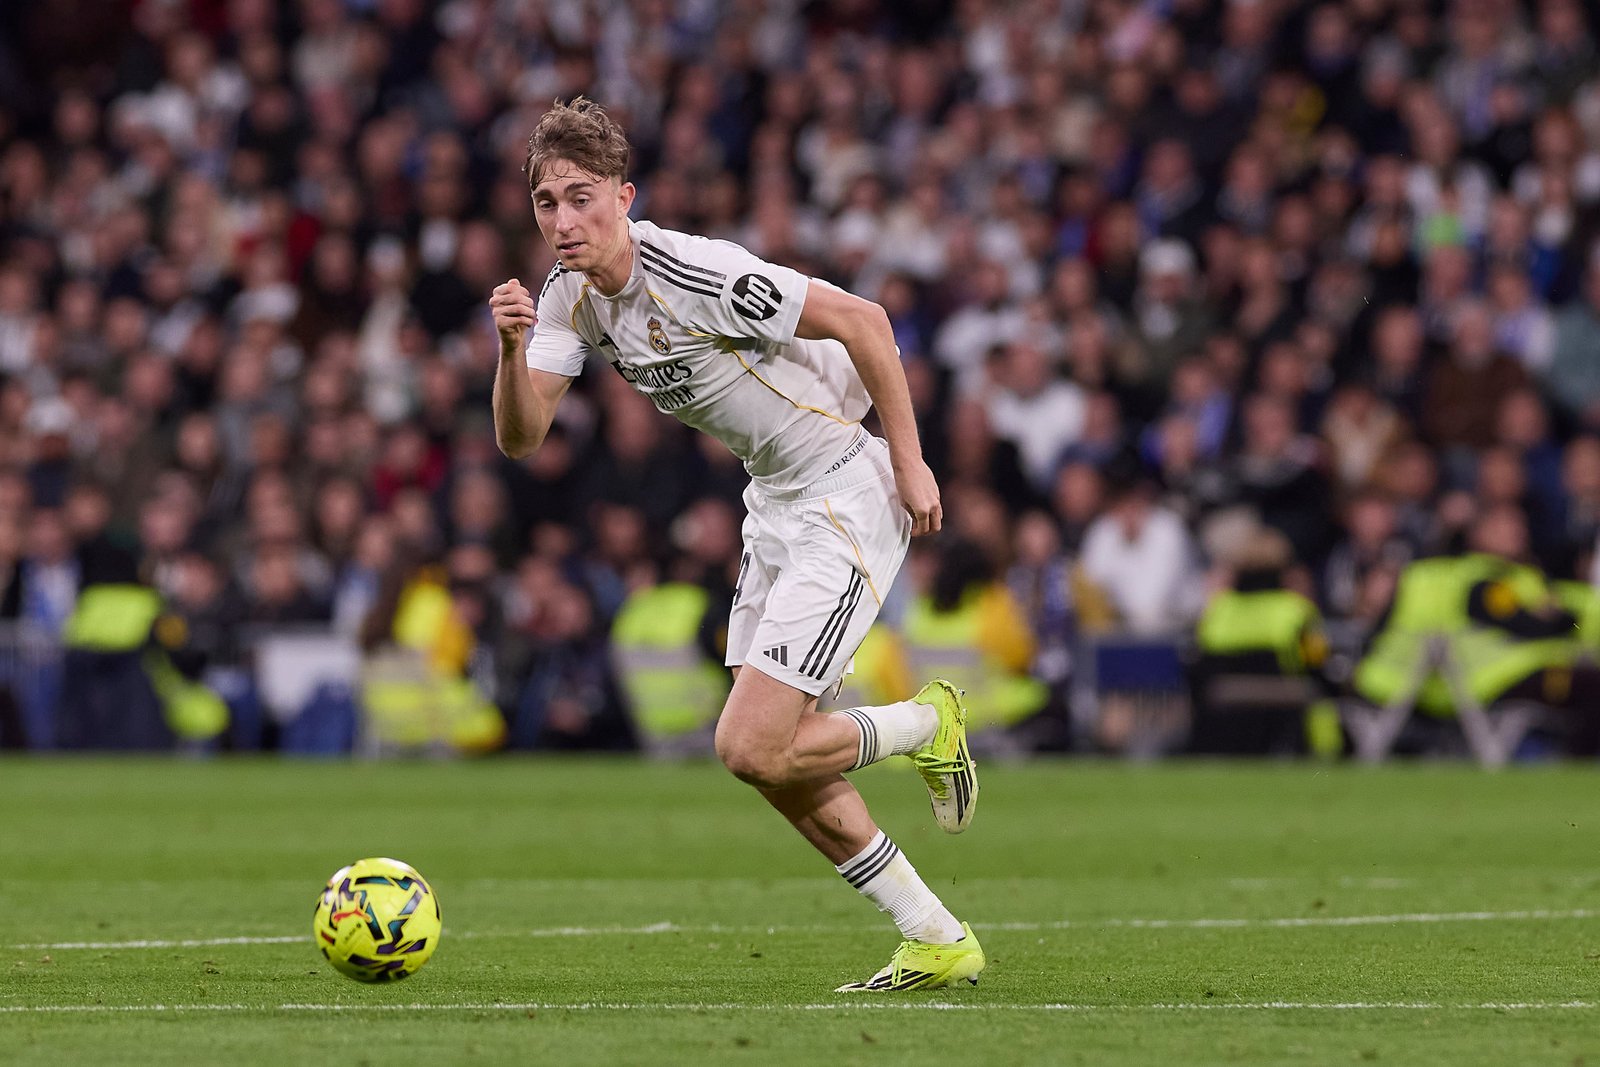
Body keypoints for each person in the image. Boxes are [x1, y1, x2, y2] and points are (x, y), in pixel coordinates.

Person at [488, 98, 983, 992]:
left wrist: (911, 464)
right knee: (778, 764)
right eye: (546, 202)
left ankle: (926, 722)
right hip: (775, 503)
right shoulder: (566, 298)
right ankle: (934, 933)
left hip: (843, 488)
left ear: (625, 197)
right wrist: (509, 349)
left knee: (750, 743)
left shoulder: (696, 272)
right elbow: (522, 438)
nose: (563, 221)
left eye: (581, 197)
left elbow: (866, 321)